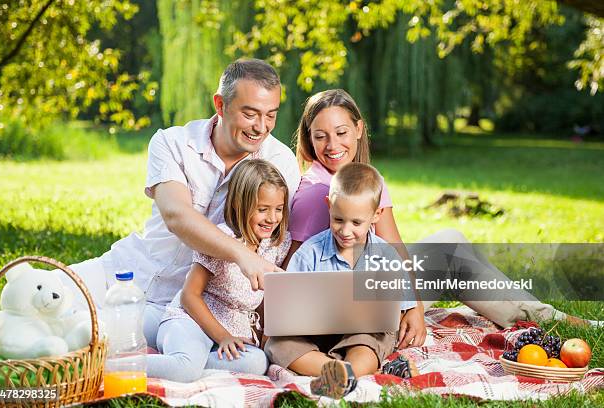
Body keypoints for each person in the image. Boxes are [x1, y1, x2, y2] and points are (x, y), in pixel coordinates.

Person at [287, 89, 597, 342]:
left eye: (340, 132)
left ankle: (527, 311)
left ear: (358, 129)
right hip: (350, 307)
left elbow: (392, 247)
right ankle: (547, 318)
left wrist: (414, 305)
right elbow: (297, 271)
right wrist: (409, 308)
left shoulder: (362, 180)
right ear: (309, 139)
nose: (332, 145)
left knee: (453, 242)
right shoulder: (318, 193)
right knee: (451, 252)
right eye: (320, 136)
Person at [63, 59, 300, 348]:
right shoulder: (173, 142)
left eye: (270, 116)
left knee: (81, 333)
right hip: (128, 271)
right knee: (38, 294)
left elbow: (275, 240)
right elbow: (177, 216)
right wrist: (242, 255)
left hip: (184, 306)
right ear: (221, 105)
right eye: (250, 114)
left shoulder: (279, 163)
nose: (261, 127)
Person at [265, 163, 416, 399]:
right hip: (315, 335)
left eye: (356, 223)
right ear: (328, 206)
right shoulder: (309, 253)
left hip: (363, 333)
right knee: (279, 345)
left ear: (376, 215)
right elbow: (289, 304)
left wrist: (407, 310)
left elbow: (403, 303)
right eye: (338, 220)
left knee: (369, 345)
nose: (346, 231)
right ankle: (344, 373)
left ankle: (343, 372)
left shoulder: (386, 255)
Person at [147, 160, 291, 382]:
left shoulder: (275, 246)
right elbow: (189, 296)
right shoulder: (222, 239)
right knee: (185, 368)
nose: (272, 218)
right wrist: (223, 337)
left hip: (228, 336)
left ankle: (193, 361)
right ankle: (113, 366)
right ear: (239, 205)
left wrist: (247, 336)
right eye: (262, 209)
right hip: (191, 321)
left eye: (278, 209)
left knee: (258, 362)